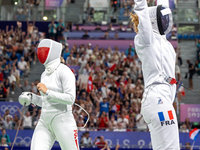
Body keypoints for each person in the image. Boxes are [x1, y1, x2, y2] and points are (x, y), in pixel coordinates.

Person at [130, 0, 180, 149]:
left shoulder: (163, 42)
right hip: (158, 99)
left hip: (161, 100)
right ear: (152, 21)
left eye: (167, 19)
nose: (166, 22)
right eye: (163, 19)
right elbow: (141, 9)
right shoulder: (146, 39)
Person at [18, 39, 79, 150]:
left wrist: (47, 92)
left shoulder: (65, 71)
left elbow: (70, 99)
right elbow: (46, 101)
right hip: (45, 121)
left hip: (63, 120)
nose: (41, 52)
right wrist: (32, 98)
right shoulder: (44, 74)